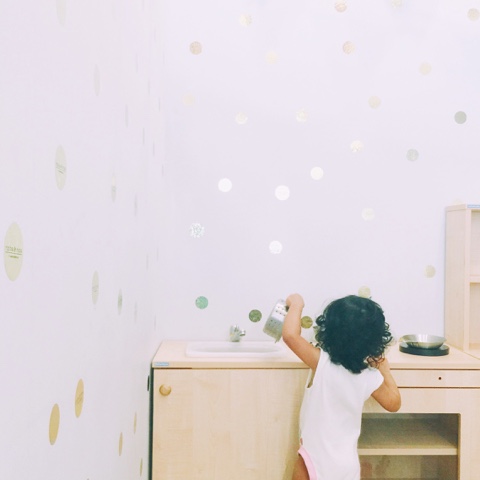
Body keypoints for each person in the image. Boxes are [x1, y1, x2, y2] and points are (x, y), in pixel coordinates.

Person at [282, 293, 401, 480]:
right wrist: (384, 370)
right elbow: (394, 403)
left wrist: (297, 303)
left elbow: (290, 335)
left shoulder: (321, 362)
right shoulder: (369, 376)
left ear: (328, 331)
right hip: (347, 466)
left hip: (313, 460)